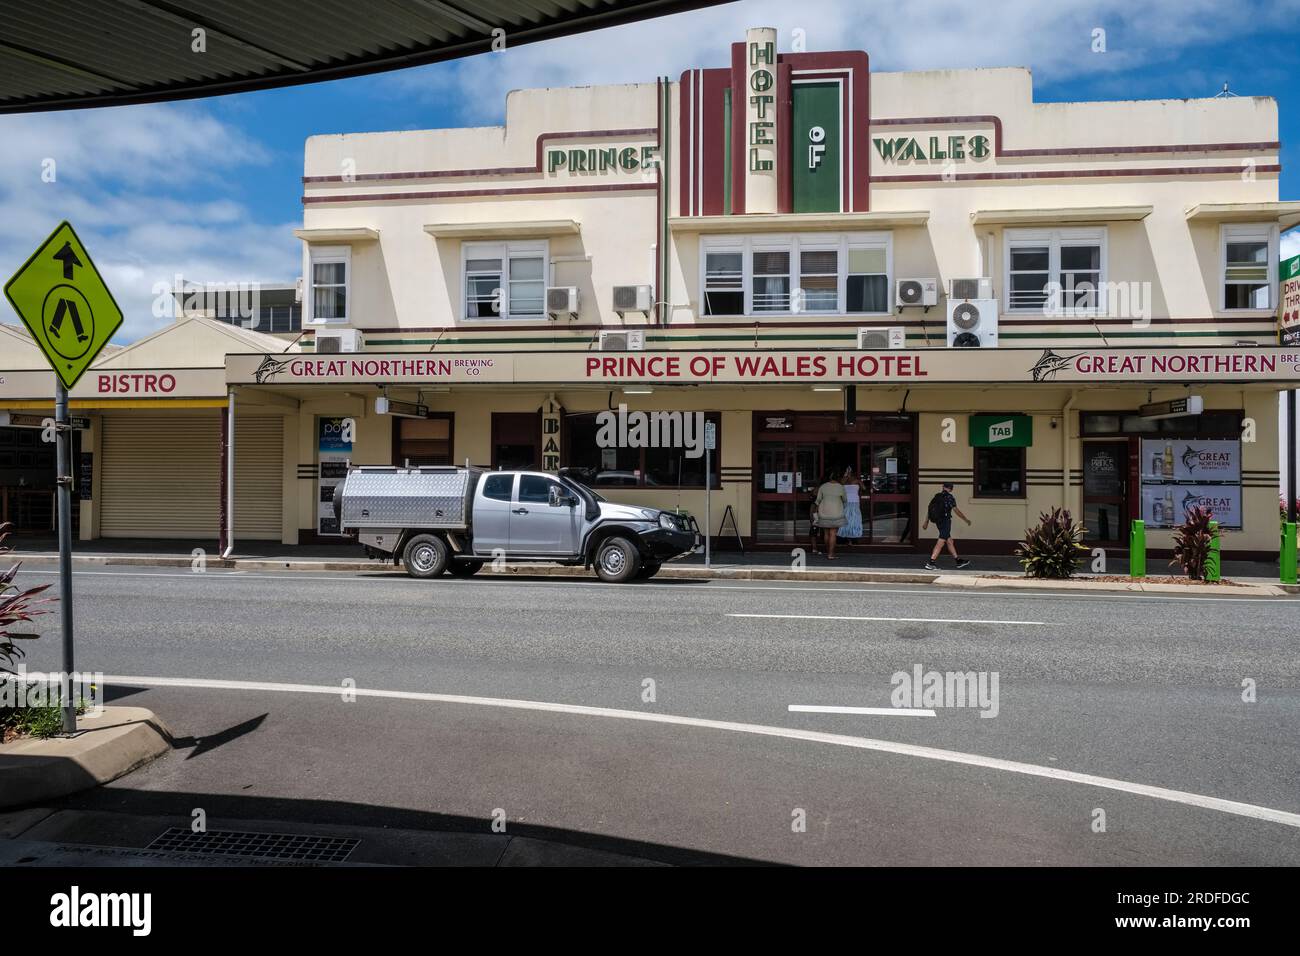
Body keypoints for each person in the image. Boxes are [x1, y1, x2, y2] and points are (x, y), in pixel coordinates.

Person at [922, 481, 971, 570]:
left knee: (949, 541)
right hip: (945, 522)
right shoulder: (949, 497)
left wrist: (926, 522)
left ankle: (958, 561)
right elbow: (956, 511)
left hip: (938, 522)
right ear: (951, 489)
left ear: (943, 487)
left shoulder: (936, 496)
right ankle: (931, 562)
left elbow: (930, 509)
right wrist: (966, 519)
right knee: (941, 542)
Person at [815, 469, 847, 560]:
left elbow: (818, 500)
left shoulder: (823, 487)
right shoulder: (841, 487)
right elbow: (845, 500)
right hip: (836, 513)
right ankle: (831, 554)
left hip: (824, 512)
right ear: (838, 478)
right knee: (833, 533)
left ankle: (828, 551)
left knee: (826, 533)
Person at [840, 465, 864, 544]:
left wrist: (846, 476)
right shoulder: (855, 480)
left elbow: (863, 488)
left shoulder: (850, 480)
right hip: (851, 502)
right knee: (852, 519)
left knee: (850, 519)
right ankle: (851, 538)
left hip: (850, 502)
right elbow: (864, 488)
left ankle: (851, 538)